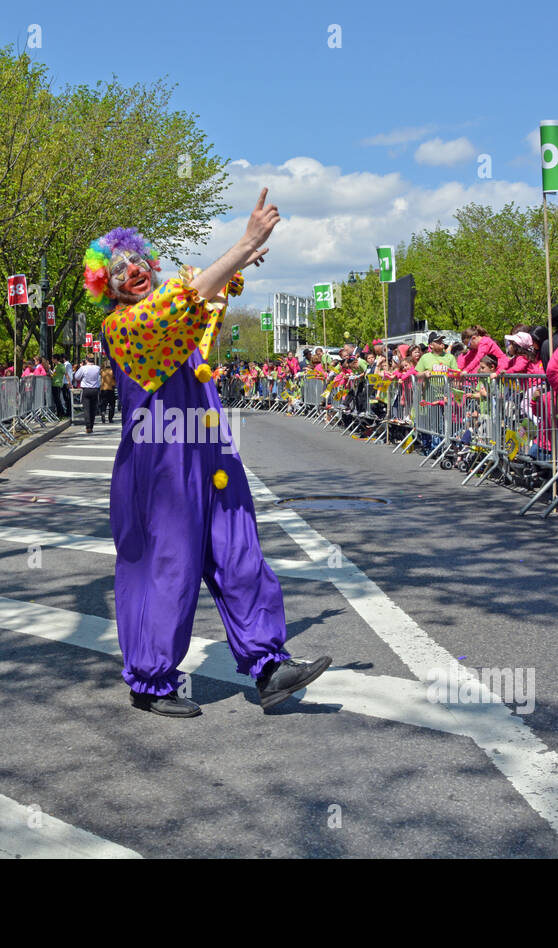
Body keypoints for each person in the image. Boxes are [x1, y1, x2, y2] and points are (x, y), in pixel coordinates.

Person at [85, 195, 330, 718]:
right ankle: (151, 681)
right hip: (159, 467)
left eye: (138, 261)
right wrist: (242, 246)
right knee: (165, 569)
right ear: (109, 286)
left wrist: (235, 265)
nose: (134, 271)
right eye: (120, 269)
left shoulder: (179, 322)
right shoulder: (125, 328)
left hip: (210, 454)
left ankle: (268, 666)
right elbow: (178, 305)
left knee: (240, 554)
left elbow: (200, 308)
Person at [73, 355, 101, 433]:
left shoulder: (83, 368)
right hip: (95, 389)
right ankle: (91, 425)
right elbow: (100, 378)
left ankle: (88, 426)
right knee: (93, 409)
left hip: (86, 389)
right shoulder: (97, 368)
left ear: (86, 360)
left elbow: (77, 377)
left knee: (86, 408)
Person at [99, 359, 117, 424]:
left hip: (103, 389)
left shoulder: (102, 371)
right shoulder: (113, 371)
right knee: (112, 405)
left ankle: (103, 412)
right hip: (111, 389)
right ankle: (110, 418)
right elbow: (115, 379)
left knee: (103, 403)